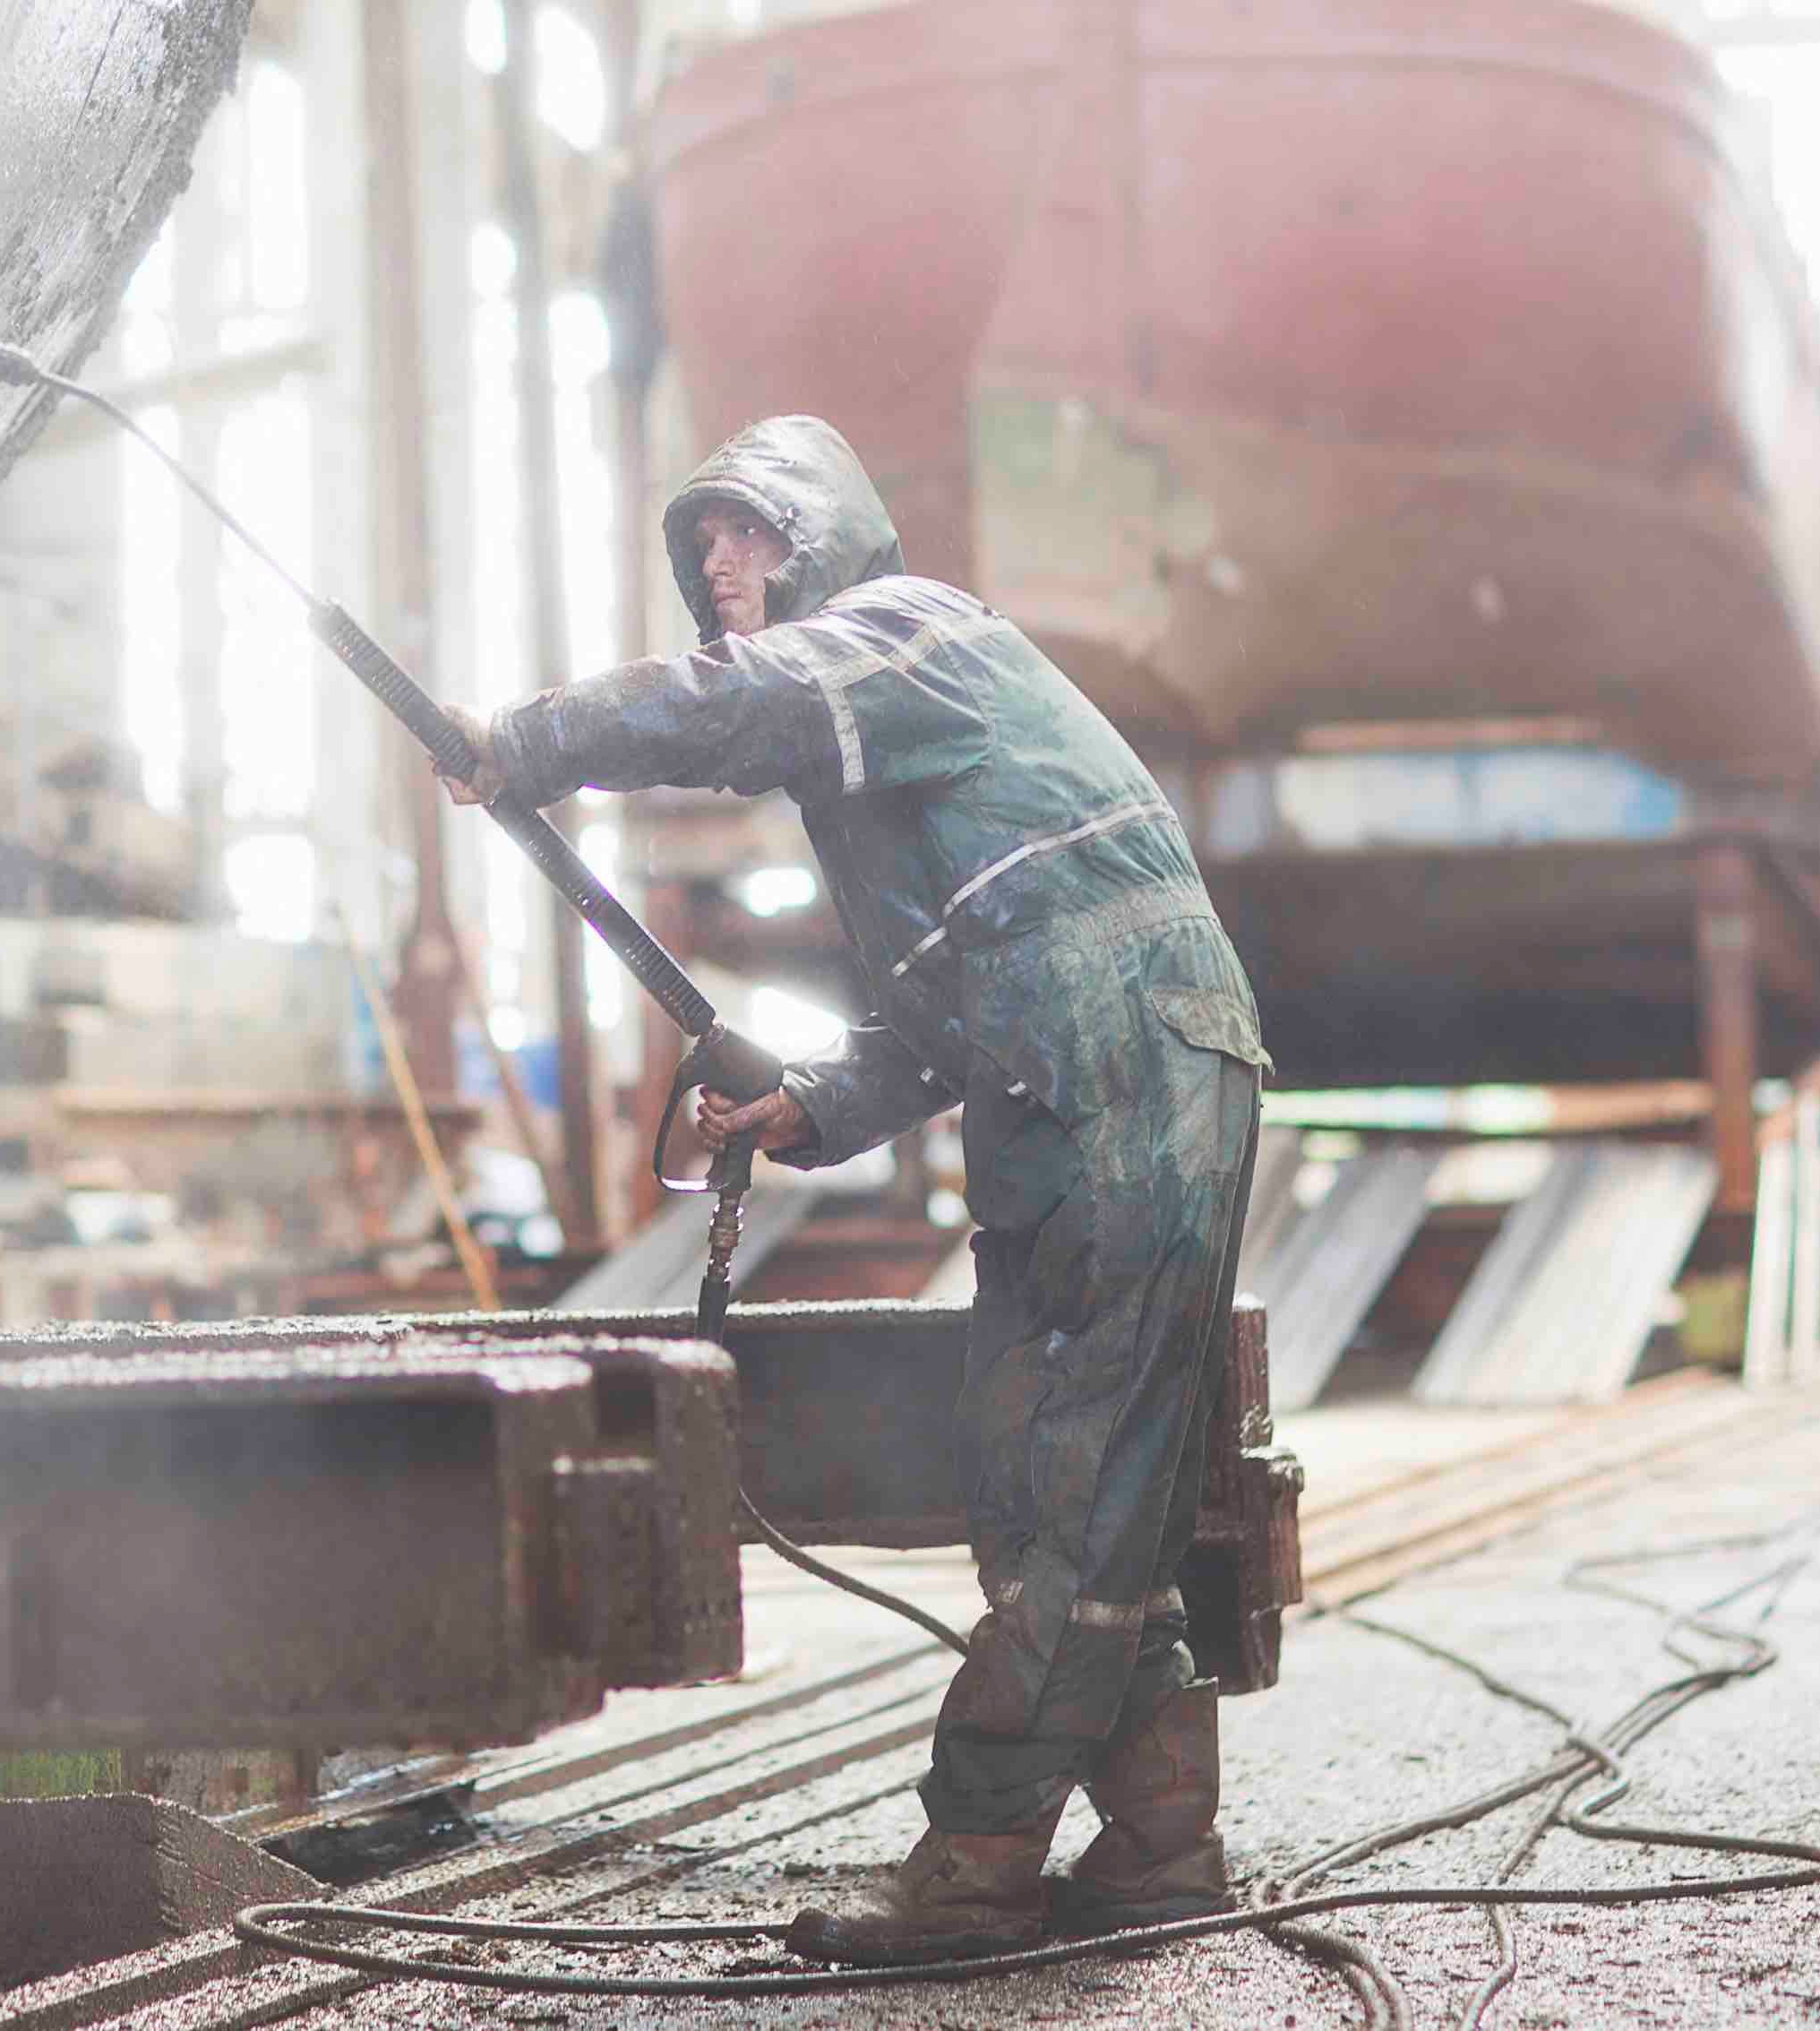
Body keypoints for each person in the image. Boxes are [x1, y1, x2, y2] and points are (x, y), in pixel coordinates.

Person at [437, 414, 1269, 1963]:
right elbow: (938, 1015)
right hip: (1061, 1089)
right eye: (701, 548)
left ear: (826, 537)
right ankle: (1162, 1843)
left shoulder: (909, 631)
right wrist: (815, 1100)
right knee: (1043, 1481)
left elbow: (733, 707)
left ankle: (976, 1867)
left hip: (1125, 1070)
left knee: (1077, 1487)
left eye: (748, 531)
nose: (719, 565)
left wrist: (529, 742)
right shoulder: (881, 784)